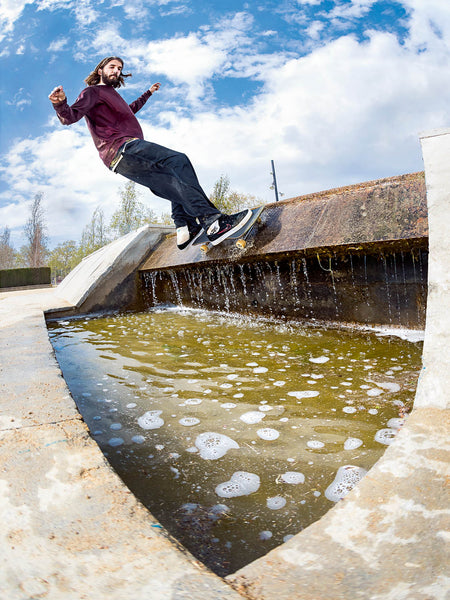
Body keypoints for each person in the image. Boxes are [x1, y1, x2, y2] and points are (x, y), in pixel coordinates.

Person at [48, 56, 251, 250]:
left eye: (119, 69)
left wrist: (148, 93)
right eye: (112, 67)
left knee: (173, 181)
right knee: (178, 161)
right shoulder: (92, 92)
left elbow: (130, 109)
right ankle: (213, 222)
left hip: (120, 159)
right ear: (100, 70)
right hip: (123, 147)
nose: (116, 71)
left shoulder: (112, 96)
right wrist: (60, 104)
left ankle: (184, 226)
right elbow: (70, 116)